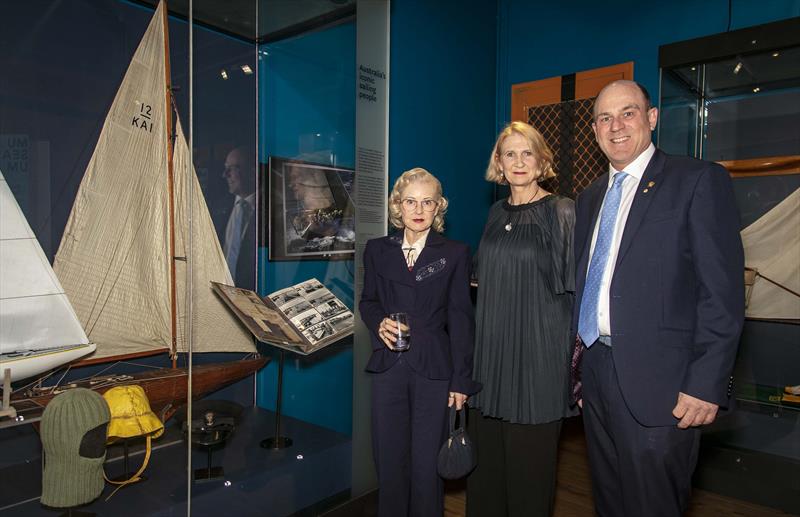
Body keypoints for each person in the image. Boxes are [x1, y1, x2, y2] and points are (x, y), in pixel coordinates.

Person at [573, 80, 744, 516]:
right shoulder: (590, 198)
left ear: (651, 118)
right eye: (604, 118)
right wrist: (577, 368)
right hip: (596, 373)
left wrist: (706, 384)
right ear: (594, 130)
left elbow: (721, 294)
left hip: (663, 387)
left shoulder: (697, 180)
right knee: (610, 502)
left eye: (627, 113)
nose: (616, 126)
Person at [467, 121, 577, 517]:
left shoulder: (562, 210)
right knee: (485, 477)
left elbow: (576, 292)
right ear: (498, 162)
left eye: (527, 152)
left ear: (542, 159)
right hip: (492, 359)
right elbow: (479, 280)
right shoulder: (496, 212)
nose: (518, 162)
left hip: (537, 361)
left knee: (530, 479)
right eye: (509, 153)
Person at [359, 167, 481, 517]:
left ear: (438, 207)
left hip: (434, 370)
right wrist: (376, 321)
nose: (418, 209)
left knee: (428, 464)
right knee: (389, 458)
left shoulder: (455, 252)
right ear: (397, 205)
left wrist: (461, 381)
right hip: (389, 365)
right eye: (410, 201)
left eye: (427, 202)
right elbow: (368, 301)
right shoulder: (378, 250)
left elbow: (461, 319)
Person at [221, 146, 256, 289]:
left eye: (232, 168)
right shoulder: (218, 209)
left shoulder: (271, 210)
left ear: (252, 171)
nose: (225, 174)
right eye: (225, 168)